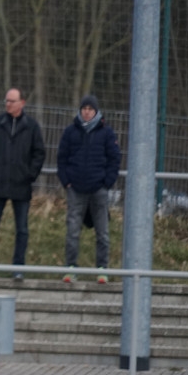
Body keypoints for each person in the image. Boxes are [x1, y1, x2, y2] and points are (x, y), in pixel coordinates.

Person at [0, 87, 46, 280]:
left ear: (22, 103)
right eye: (6, 101)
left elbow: (39, 153)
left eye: (12, 101)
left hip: (21, 186)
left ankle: (18, 267)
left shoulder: (32, 127)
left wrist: (29, 175)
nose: (8, 104)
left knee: (22, 230)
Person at [57, 95, 121, 284]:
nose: (86, 112)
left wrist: (107, 182)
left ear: (96, 111)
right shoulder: (70, 132)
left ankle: (102, 269)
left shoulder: (106, 133)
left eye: (90, 109)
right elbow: (61, 158)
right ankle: (70, 268)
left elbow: (114, 159)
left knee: (102, 232)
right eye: (84, 108)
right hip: (75, 189)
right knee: (72, 231)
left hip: (98, 189)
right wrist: (66, 181)